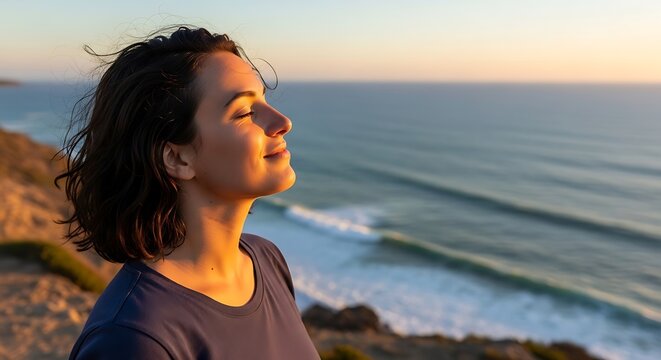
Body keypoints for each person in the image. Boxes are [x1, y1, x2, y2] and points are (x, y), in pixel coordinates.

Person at [57, 25, 320, 359]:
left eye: (264, 100)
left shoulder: (266, 261)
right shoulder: (135, 338)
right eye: (243, 112)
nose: (282, 121)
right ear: (177, 157)